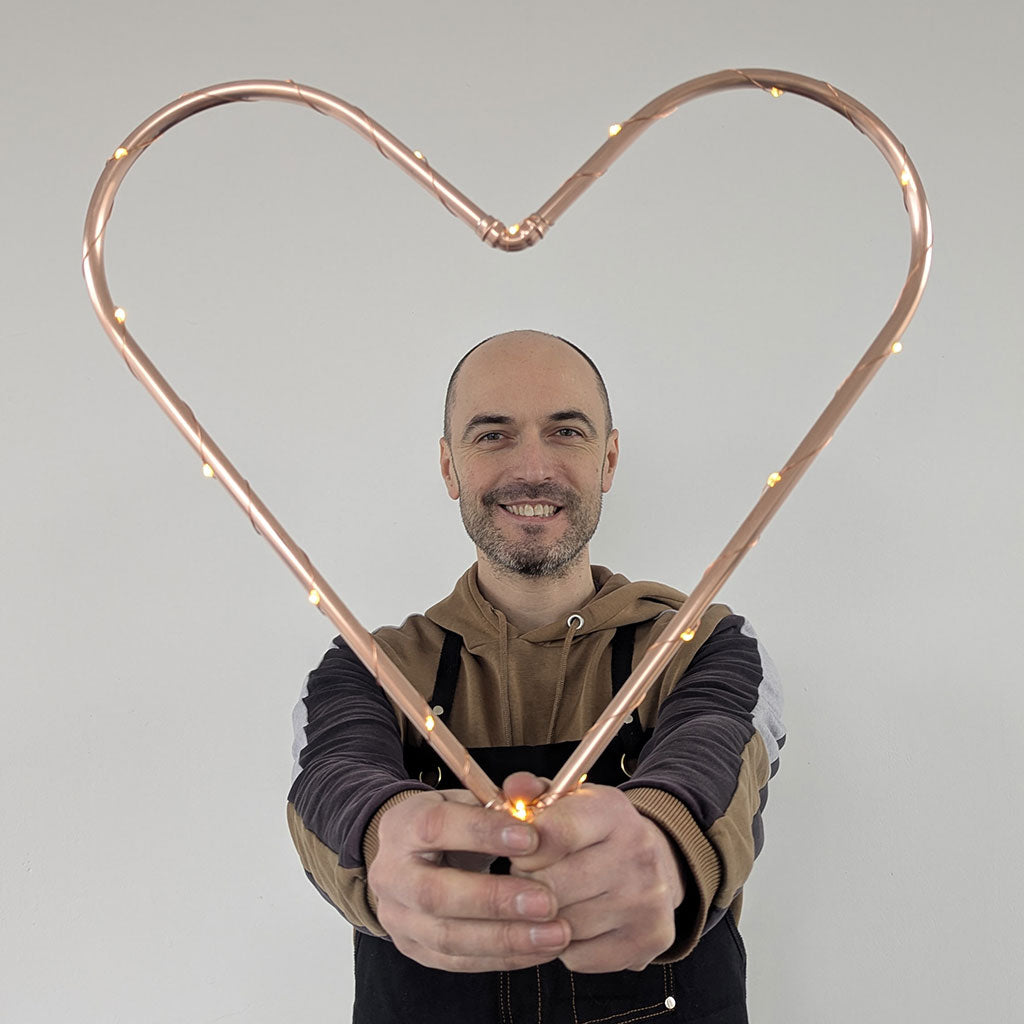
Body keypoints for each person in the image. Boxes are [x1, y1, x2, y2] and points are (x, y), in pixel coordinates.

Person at [288, 330, 785, 1022]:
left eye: (567, 432)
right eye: (492, 435)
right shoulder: (369, 668)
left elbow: (715, 759)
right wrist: (381, 834)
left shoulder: (701, 644)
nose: (532, 468)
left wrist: (664, 843)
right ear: (450, 467)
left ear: (609, 459)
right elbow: (330, 779)